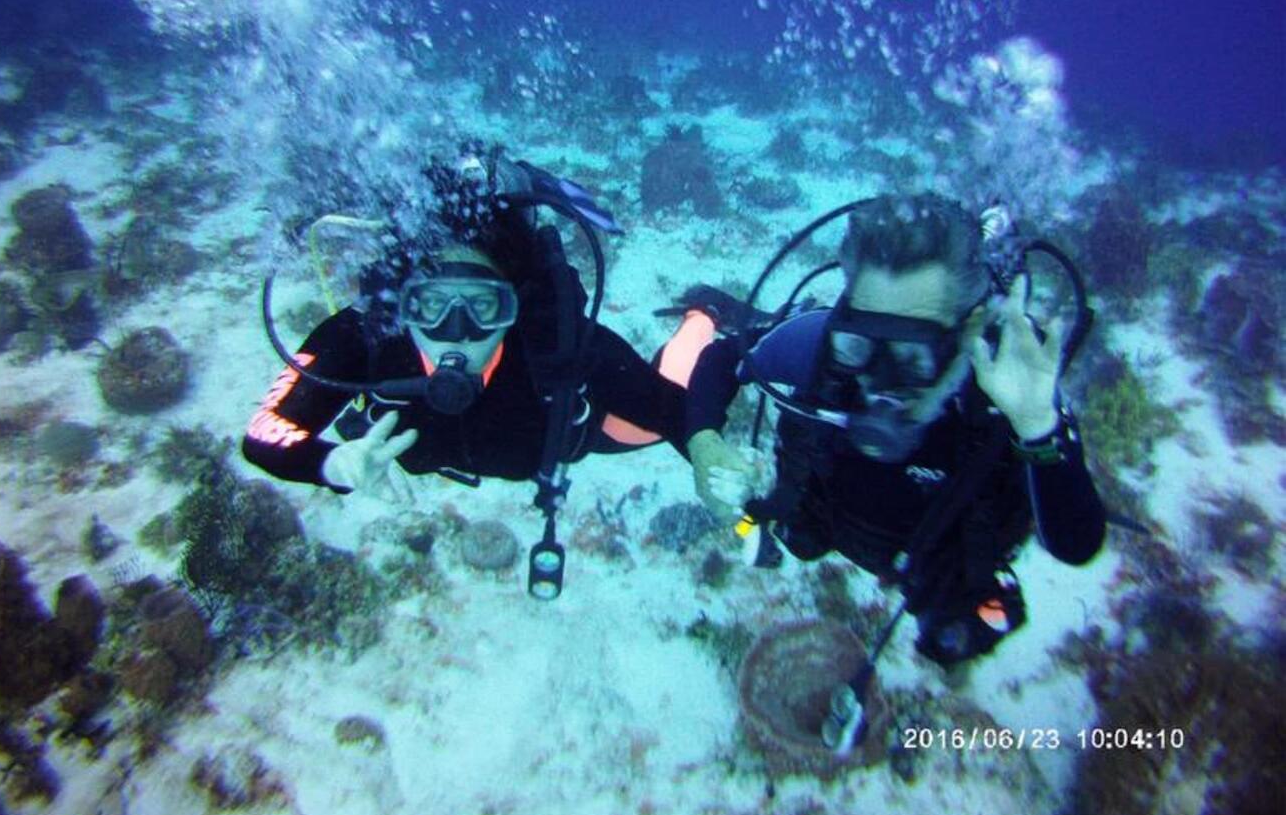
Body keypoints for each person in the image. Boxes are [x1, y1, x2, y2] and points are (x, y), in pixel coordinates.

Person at [684, 192, 1106, 684]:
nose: (877, 382)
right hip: (835, 522)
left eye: (912, 355)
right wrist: (702, 441)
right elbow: (721, 361)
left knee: (951, 641)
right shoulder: (819, 347)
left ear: (967, 332)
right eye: (860, 342)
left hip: (942, 559)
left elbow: (1077, 544)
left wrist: (1038, 425)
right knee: (799, 538)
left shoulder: (1005, 393)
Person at [243, 152, 714, 573]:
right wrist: (331, 466)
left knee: (659, 413)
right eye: (431, 306)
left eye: (483, 308)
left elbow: (677, 413)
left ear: (512, 307)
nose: (456, 332)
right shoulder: (369, 334)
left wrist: (709, 451)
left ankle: (703, 317)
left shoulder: (552, 335)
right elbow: (264, 434)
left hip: (581, 435)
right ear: (404, 307)